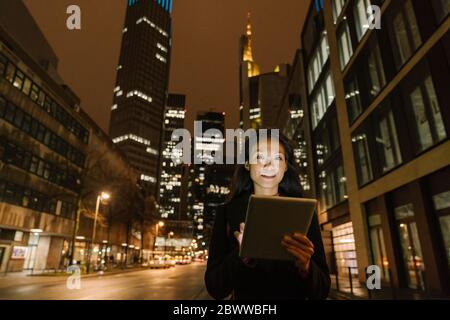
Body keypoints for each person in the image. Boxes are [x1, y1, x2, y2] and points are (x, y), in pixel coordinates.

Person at [204, 130, 330, 300]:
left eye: (278, 158)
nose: (269, 165)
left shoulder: (304, 212)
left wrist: (306, 267)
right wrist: (241, 256)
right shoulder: (227, 212)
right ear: (247, 164)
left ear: (286, 166)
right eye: (259, 157)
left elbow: (322, 291)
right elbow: (215, 288)